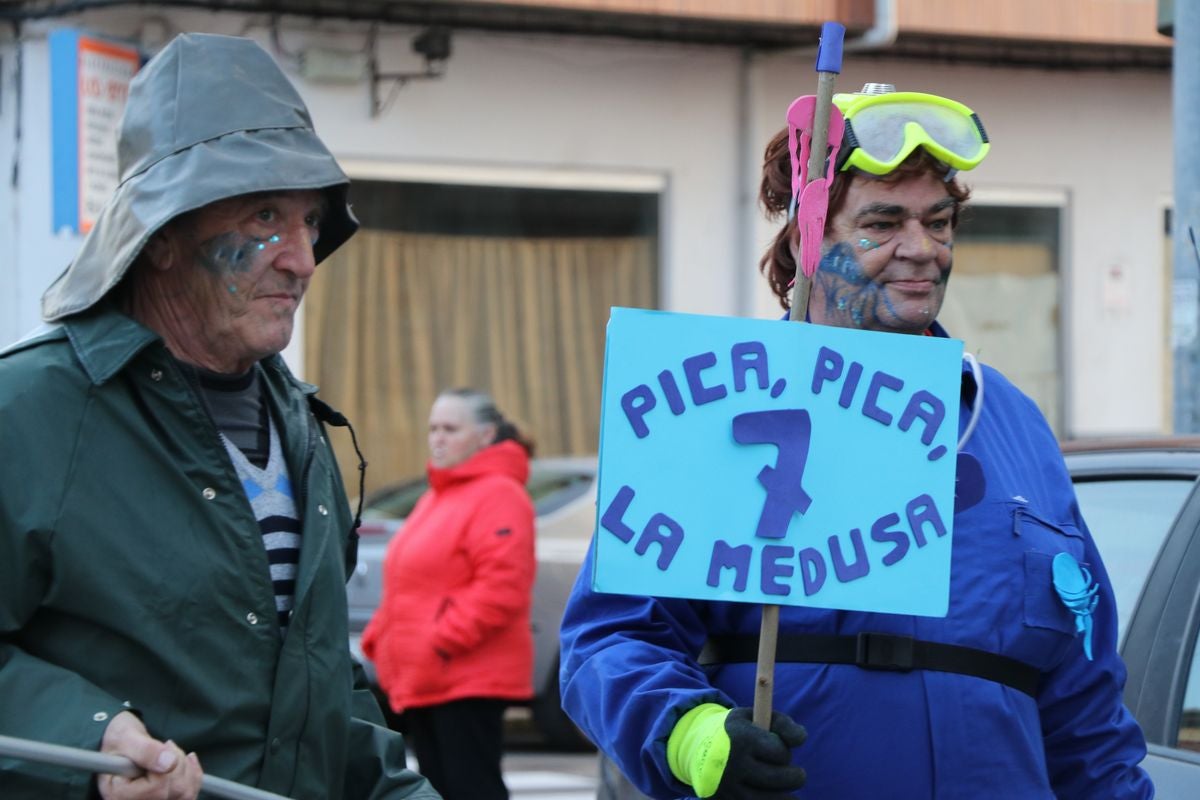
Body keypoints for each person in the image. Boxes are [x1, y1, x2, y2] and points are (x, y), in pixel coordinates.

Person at [559, 85, 1155, 799]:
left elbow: (1083, 706)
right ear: (810, 239)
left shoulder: (1011, 421)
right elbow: (609, 639)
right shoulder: (717, 407)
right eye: (883, 223)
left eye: (939, 222)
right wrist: (692, 735)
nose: (922, 249)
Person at [0, 33, 439, 800]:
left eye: (308, 221)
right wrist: (89, 735)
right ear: (162, 237)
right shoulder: (28, 413)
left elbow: (326, 702)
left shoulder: (303, 430)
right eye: (267, 215)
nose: (302, 258)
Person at [362, 388, 537, 800]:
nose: (437, 438)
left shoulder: (500, 494)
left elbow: (501, 588)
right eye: (433, 428)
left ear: (485, 434)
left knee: (471, 789)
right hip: (428, 678)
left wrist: (438, 642)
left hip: (467, 679)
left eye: (450, 429)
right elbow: (410, 580)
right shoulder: (438, 495)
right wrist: (381, 641)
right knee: (434, 791)